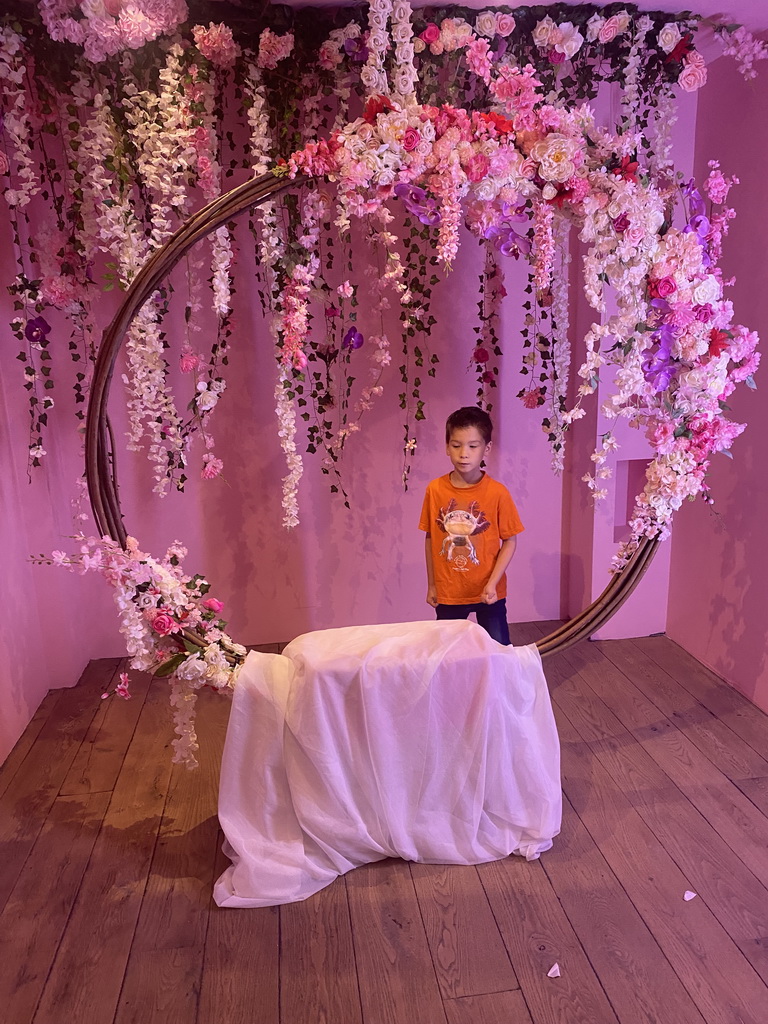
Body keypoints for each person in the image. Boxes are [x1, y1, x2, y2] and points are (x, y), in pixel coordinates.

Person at [418, 407, 524, 646]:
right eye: (456, 445)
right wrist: (432, 584)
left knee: (499, 652)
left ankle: (497, 686)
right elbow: (430, 538)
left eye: (473, 446)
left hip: (489, 592)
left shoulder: (497, 492)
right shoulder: (434, 490)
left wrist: (492, 583)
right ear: (447, 446)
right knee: (445, 654)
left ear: (486, 449)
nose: (464, 454)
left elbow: (510, 540)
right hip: (449, 593)